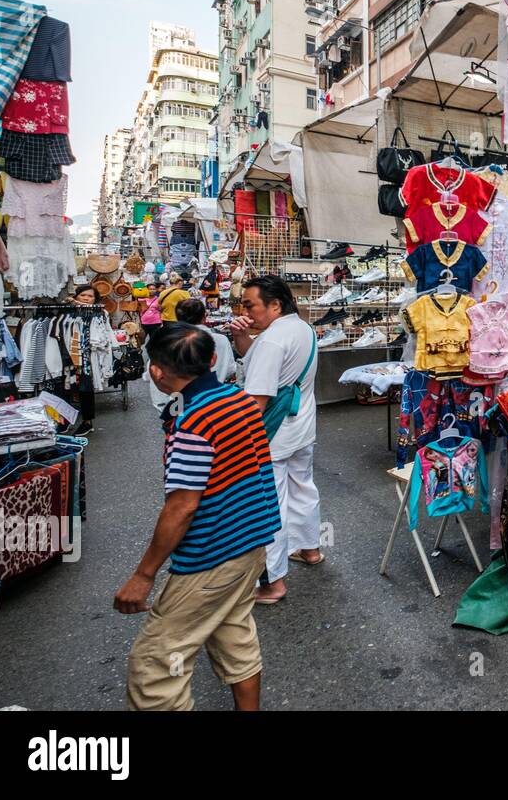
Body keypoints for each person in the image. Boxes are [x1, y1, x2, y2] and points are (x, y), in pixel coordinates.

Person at [114, 324, 281, 711]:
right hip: (251, 544)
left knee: (155, 665)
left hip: (212, 555)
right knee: (235, 636)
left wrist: (144, 575)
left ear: (156, 370)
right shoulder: (238, 398)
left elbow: (183, 506)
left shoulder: (193, 422)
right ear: (211, 360)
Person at [229, 275, 322, 604]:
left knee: (270, 506)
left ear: (274, 305)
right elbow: (262, 360)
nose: (245, 310)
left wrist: (238, 444)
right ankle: (310, 549)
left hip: (273, 434)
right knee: (303, 488)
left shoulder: (271, 340)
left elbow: (256, 401)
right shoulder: (301, 328)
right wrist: (242, 337)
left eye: (249, 304)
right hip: (301, 427)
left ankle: (273, 583)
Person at [175, 298, 235, 383]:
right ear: (204, 317)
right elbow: (230, 369)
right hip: (216, 390)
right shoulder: (221, 340)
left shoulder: (170, 342)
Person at [68, 284, 99, 433]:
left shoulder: (98, 312)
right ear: (76, 296)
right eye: (83, 295)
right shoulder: (68, 312)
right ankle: (63, 419)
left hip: (87, 356)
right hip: (68, 353)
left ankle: (87, 422)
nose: (86, 298)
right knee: (66, 385)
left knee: (85, 388)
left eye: (90, 296)